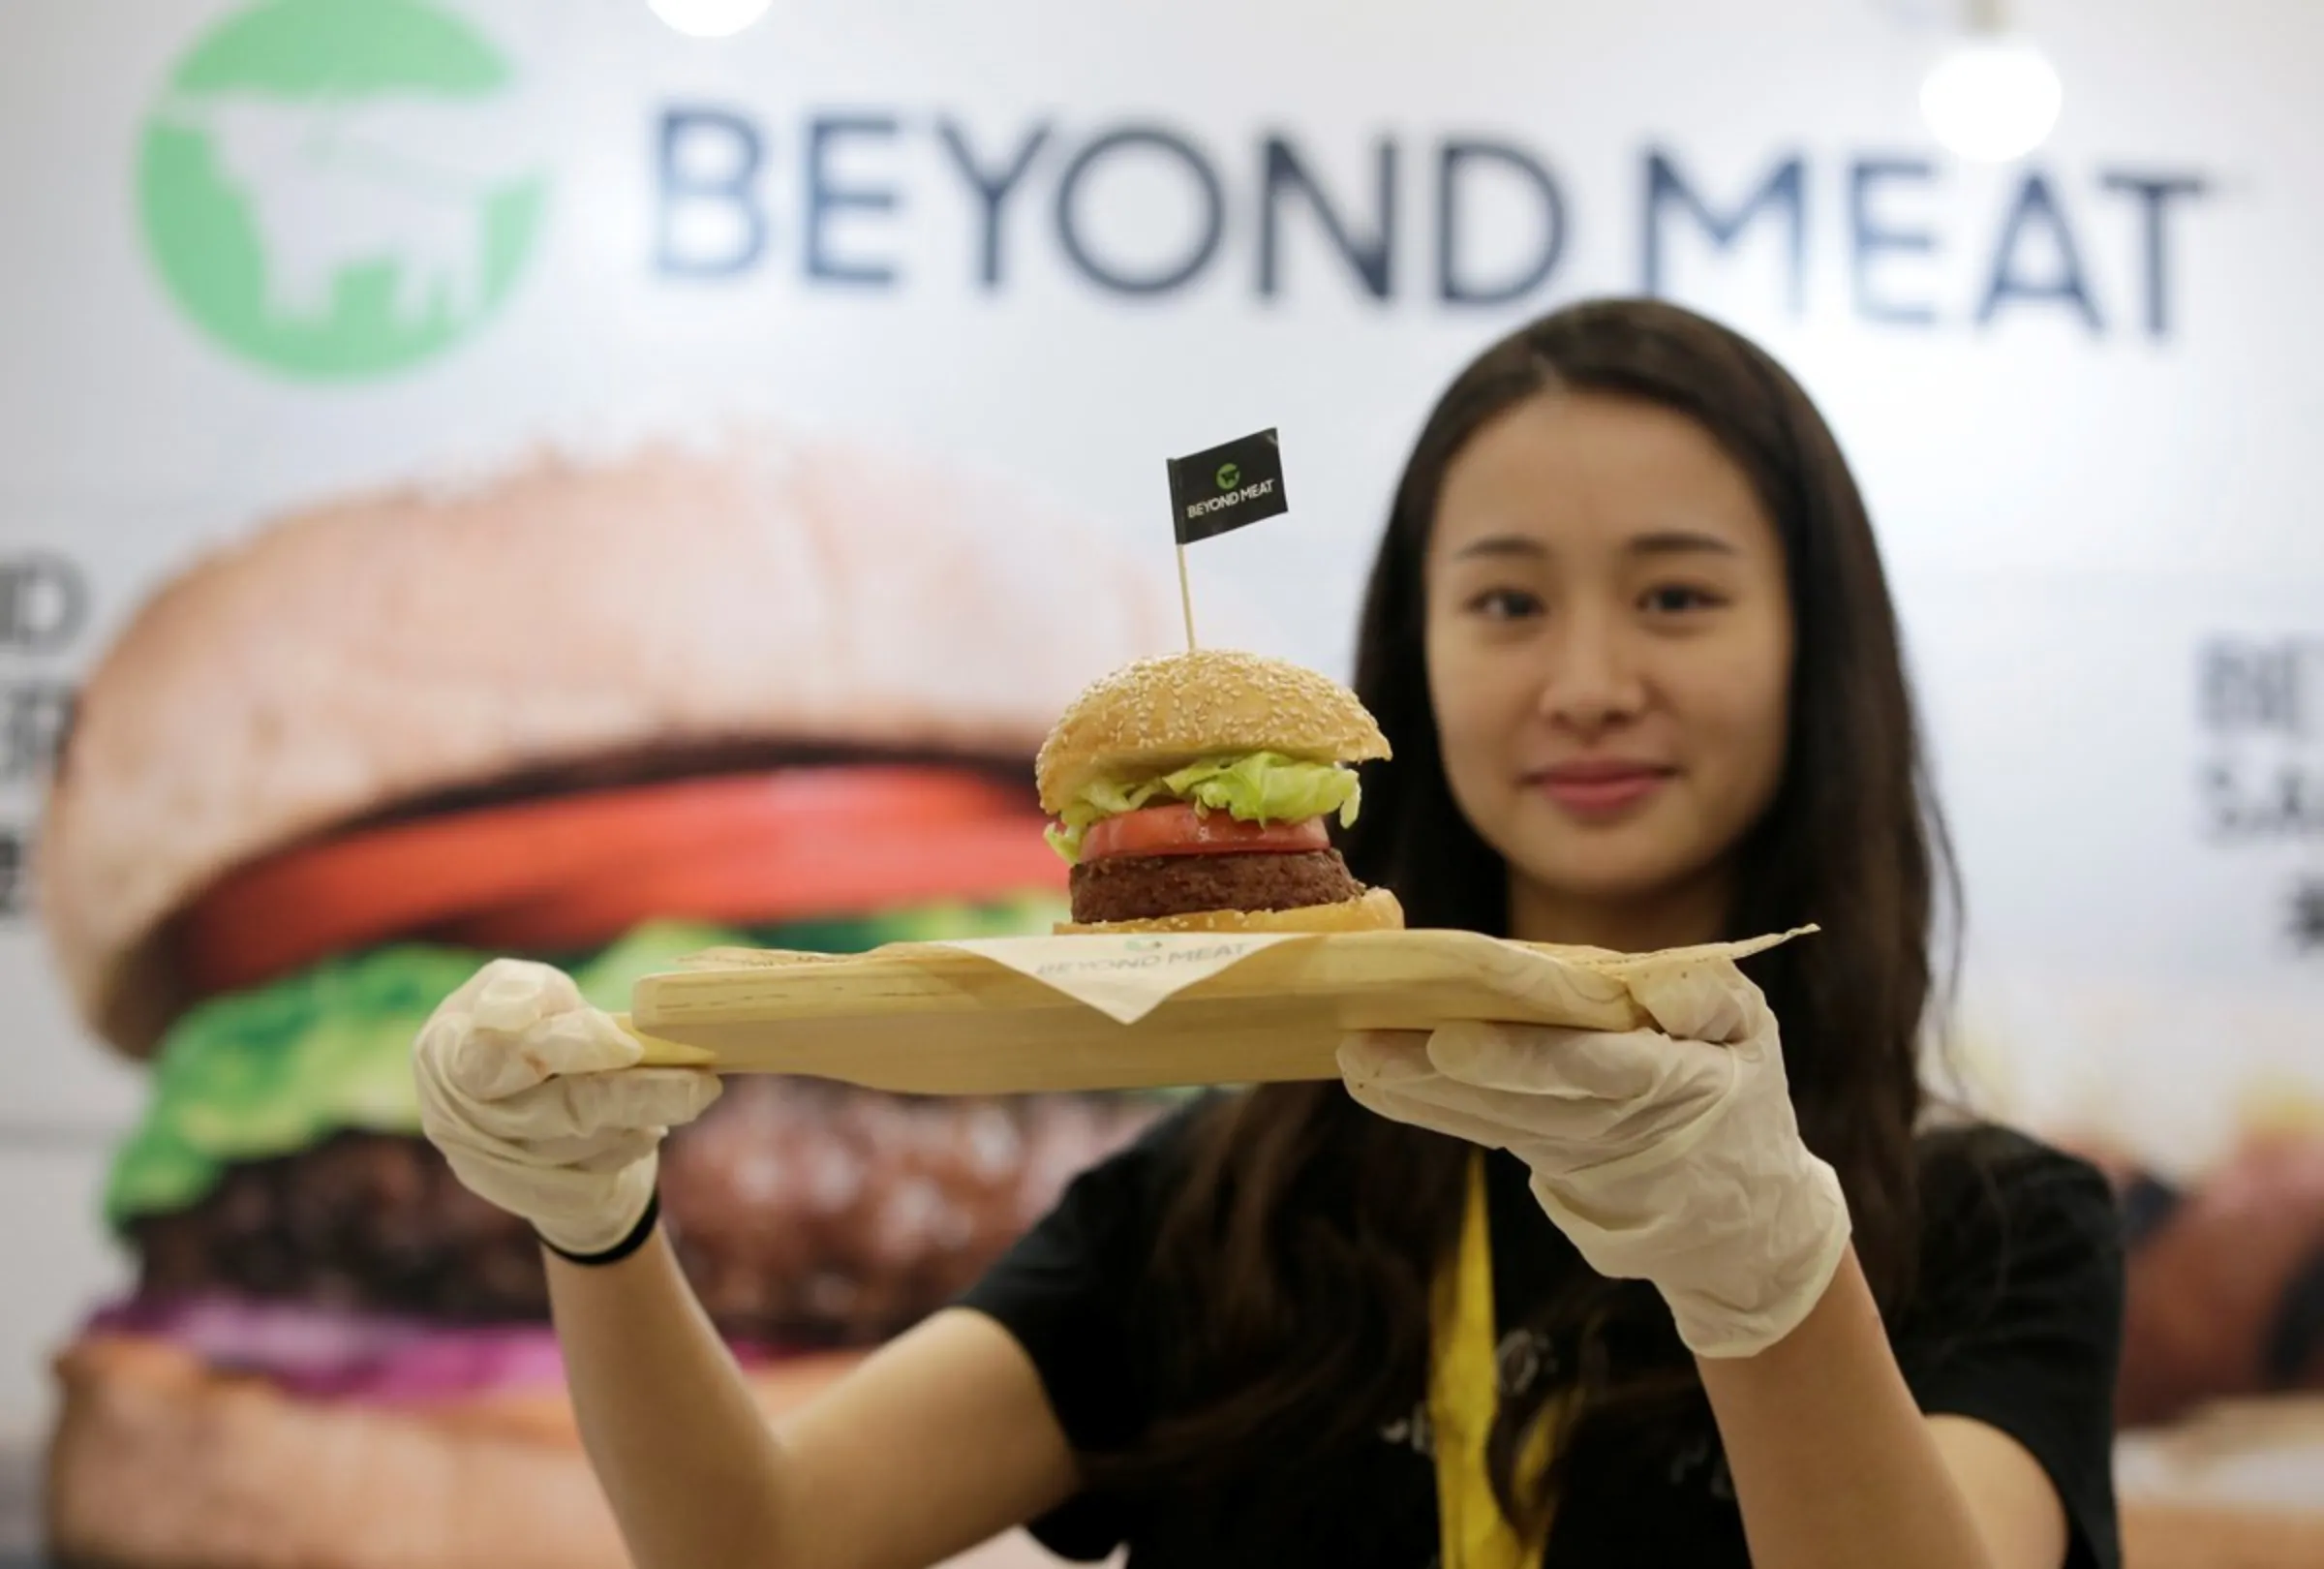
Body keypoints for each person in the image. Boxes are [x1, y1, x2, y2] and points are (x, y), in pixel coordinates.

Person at [412, 297, 2125, 1569]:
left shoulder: (1999, 1230)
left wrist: (1767, 1275)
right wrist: (600, 1221)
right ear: (1418, 654)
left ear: (1812, 654)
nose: (1591, 683)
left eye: (1678, 594)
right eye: (1507, 601)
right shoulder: (1220, 1199)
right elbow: (759, 1540)